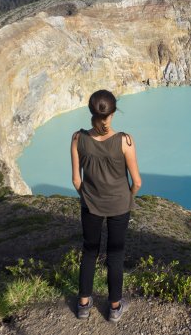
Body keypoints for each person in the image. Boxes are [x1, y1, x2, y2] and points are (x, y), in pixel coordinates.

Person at [70, 89, 142, 322]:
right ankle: (114, 307)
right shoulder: (125, 140)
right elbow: (137, 181)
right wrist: (127, 198)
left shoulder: (78, 139)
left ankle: (83, 305)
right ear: (113, 112)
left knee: (89, 252)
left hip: (90, 205)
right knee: (115, 255)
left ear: (91, 111)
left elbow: (76, 180)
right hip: (120, 205)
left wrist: (88, 197)